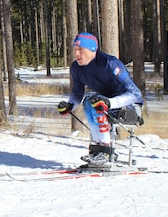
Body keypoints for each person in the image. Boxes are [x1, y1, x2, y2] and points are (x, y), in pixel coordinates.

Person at [57, 32, 144, 165]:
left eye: (80, 50)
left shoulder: (110, 63)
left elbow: (135, 94)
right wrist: (70, 106)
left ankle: (106, 151)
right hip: (103, 104)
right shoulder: (76, 68)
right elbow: (77, 93)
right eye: (75, 50)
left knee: (96, 102)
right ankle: (97, 149)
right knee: (88, 102)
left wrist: (110, 103)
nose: (77, 54)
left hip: (130, 107)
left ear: (92, 49)